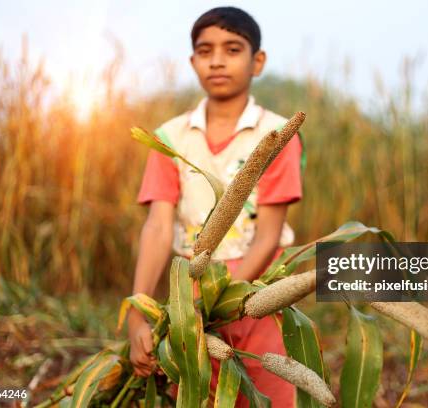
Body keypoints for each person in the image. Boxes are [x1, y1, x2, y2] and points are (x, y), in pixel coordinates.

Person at [127, 6, 304, 406]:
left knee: (265, 390)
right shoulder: (169, 137)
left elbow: (270, 232)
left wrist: (230, 300)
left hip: (259, 292)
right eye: (205, 51)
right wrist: (137, 310)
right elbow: (157, 226)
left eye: (233, 49)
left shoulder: (277, 135)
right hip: (189, 293)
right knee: (197, 390)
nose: (218, 60)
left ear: (257, 61)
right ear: (193, 62)